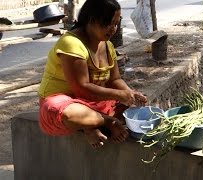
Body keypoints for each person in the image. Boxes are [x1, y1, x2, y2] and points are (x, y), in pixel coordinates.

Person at [38, 0, 147, 148]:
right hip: (66, 101)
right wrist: (118, 95)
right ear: (91, 19)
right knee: (66, 113)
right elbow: (81, 88)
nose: (113, 29)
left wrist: (130, 93)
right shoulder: (71, 43)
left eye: (116, 23)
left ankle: (90, 125)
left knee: (136, 110)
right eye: (108, 23)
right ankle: (105, 121)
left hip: (93, 102)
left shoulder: (107, 45)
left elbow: (114, 79)